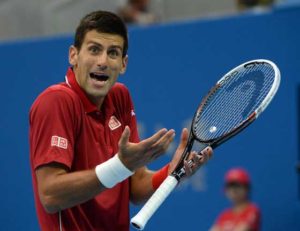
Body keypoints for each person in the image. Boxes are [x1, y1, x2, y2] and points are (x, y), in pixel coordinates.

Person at [29, 10, 213, 231]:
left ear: (123, 64)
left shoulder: (120, 97)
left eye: (113, 53)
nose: (103, 61)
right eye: (94, 50)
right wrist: (120, 165)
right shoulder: (56, 101)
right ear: (73, 55)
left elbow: (135, 188)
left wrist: (172, 172)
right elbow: (50, 195)